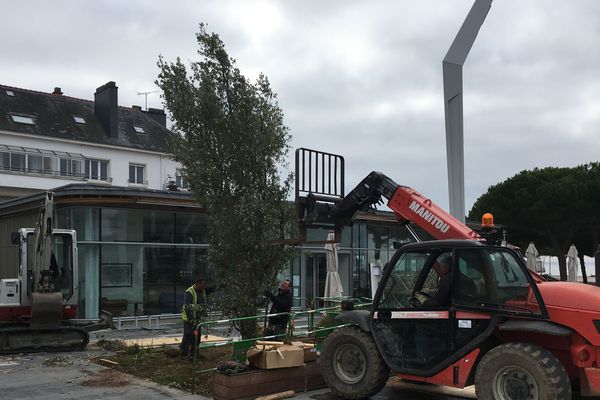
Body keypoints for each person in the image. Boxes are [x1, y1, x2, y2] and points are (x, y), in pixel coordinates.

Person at [180, 276, 215, 357]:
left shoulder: (202, 290)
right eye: (203, 285)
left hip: (198, 318)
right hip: (189, 319)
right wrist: (191, 320)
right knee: (188, 335)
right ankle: (183, 353)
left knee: (197, 335)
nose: (204, 287)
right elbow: (188, 307)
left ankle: (195, 353)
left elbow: (211, 289)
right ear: (197, 284)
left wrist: (221, 286)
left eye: (205, 285)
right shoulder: (190, 292)